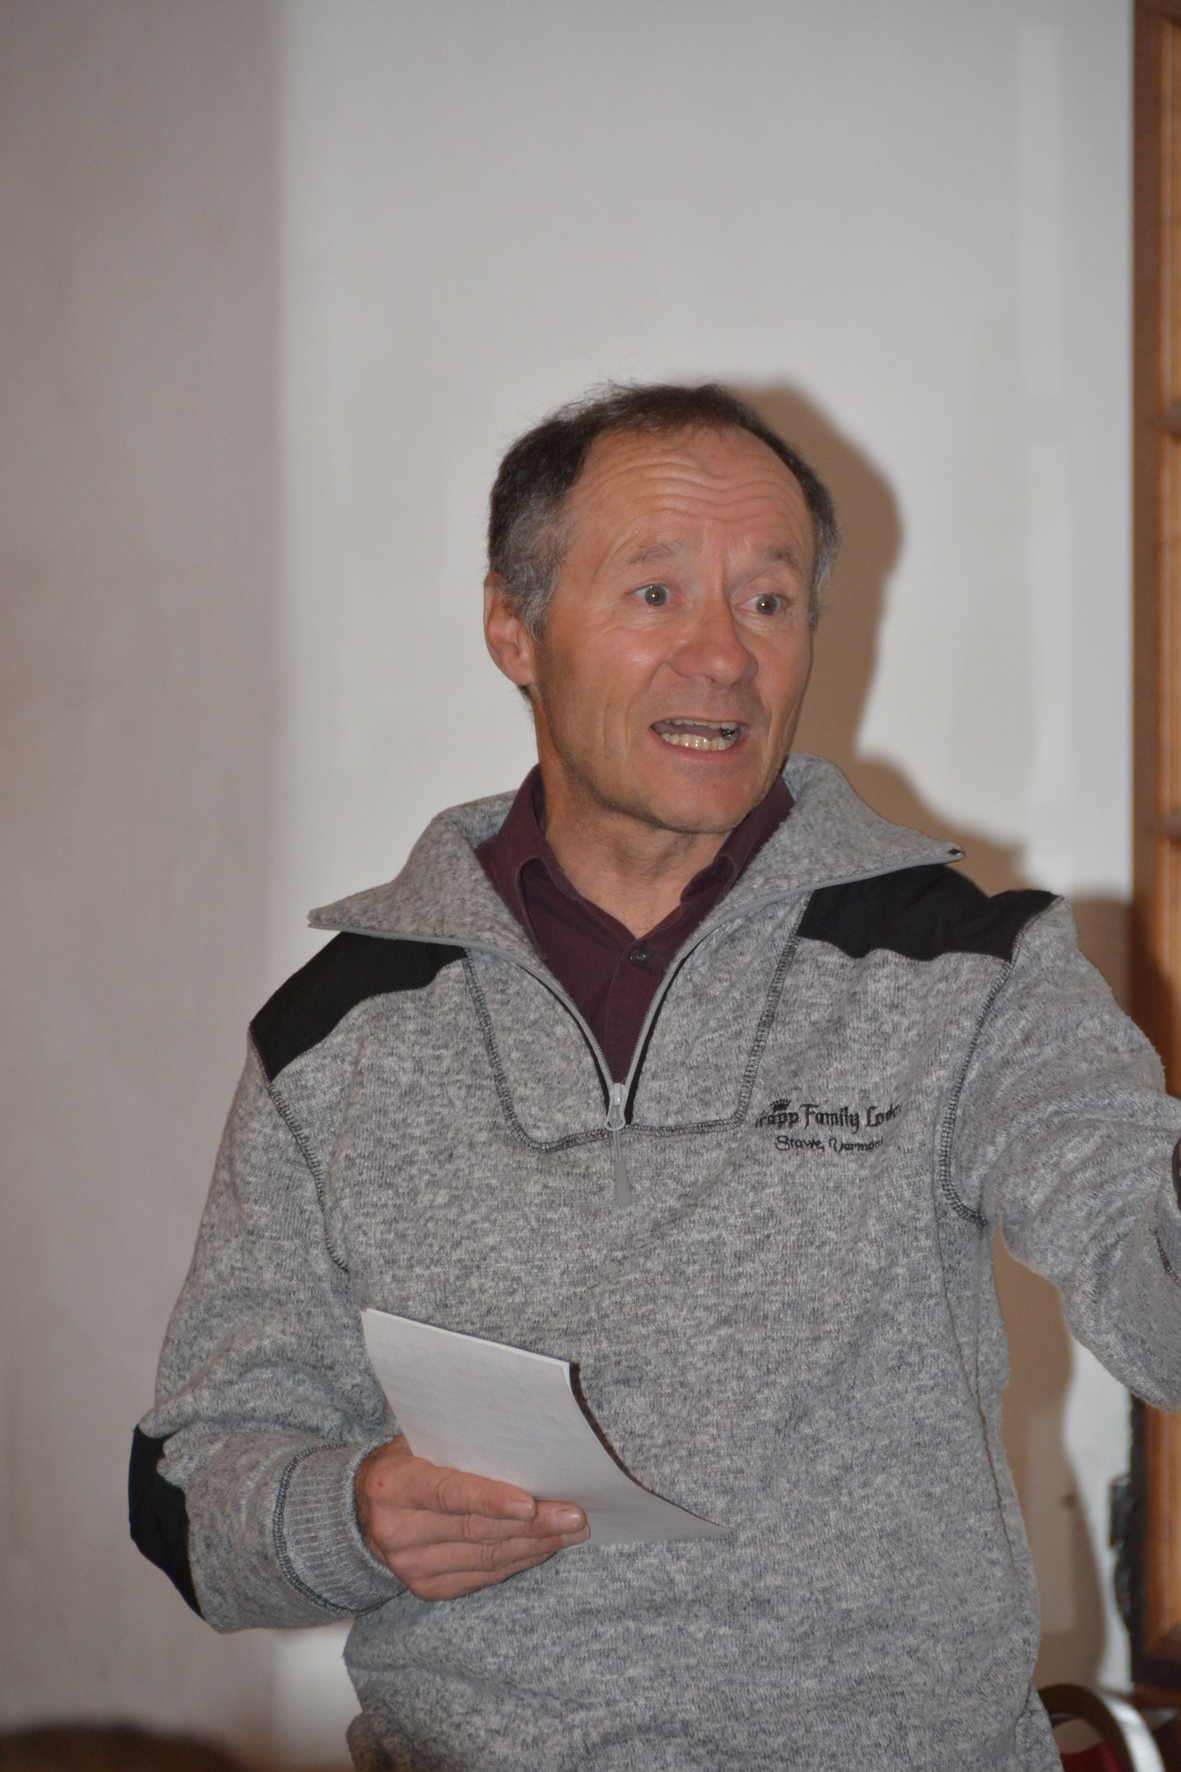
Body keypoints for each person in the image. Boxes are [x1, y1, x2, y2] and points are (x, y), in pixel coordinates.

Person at [130, 383, 1181, 1770]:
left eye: (768, 601)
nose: (723, 657)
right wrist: (349, 1515)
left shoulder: (967, 966)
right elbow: (192, 1484)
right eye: (655, 593)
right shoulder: (342, 1031)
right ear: (514, 628)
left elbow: (1157, 1291)